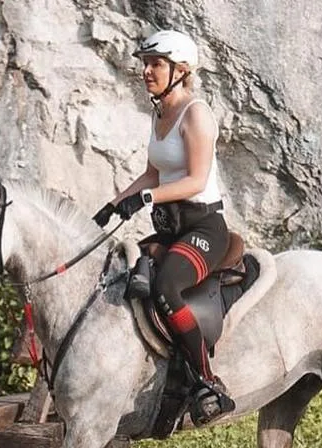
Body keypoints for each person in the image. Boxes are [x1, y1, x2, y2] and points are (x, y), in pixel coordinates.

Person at [94, 30, 236, 425]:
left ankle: (209, 384)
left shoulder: (197, 114)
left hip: (204, 227)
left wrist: (148, 199)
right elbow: (152, 173)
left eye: (155, 63)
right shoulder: (160, 114)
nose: (145, 71)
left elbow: (194, 179)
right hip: (171, 226)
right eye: (145, 63)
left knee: (166, 288)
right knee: (123, 276)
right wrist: (114, 204)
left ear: (181, 70)